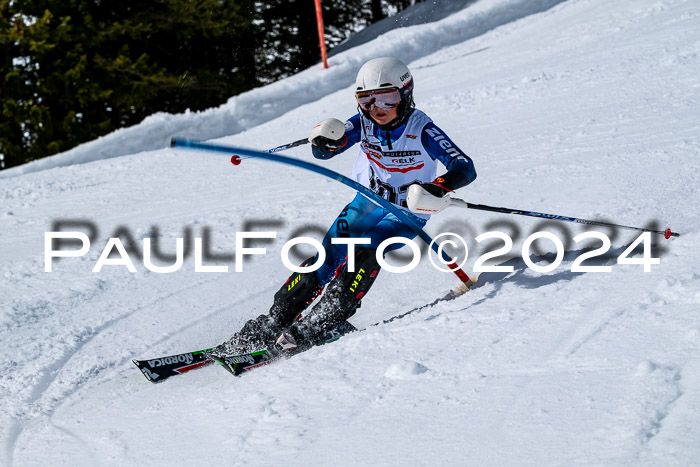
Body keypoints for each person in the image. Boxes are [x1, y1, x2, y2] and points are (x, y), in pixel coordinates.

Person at [216, 57, 477, 355]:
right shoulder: (363, 123)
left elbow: (464, 167)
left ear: (405, 94)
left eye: (387, 99)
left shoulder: (422, 129)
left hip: (408, 212)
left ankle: (320, 322)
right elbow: (326, 151)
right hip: (368, 201)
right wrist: (323, 141)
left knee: (365, 253)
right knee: (326, 255)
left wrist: (438, 187)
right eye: (365, 100)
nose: (376, 109)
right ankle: (274, 321)